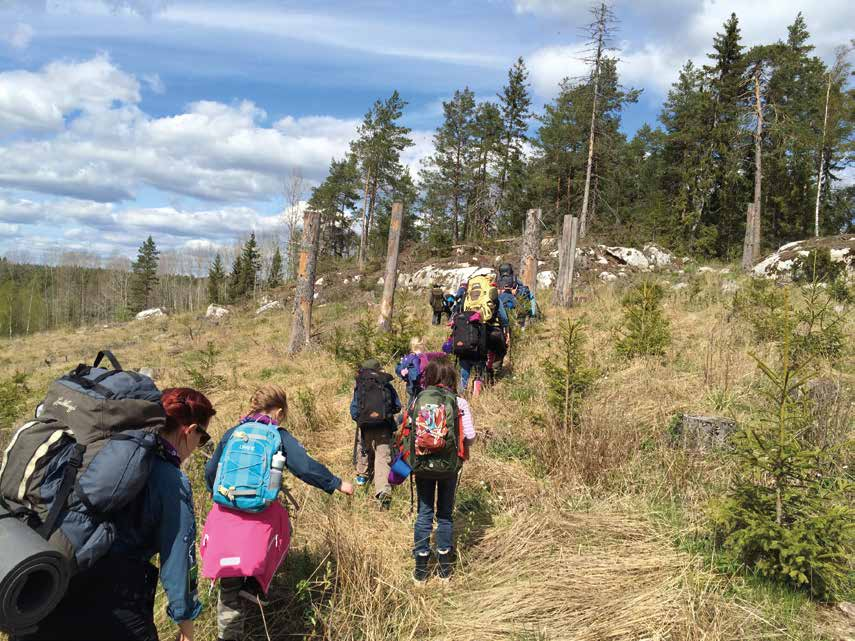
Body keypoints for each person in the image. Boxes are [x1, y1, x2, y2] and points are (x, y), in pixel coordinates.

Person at [22, 387, 216, 641]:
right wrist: (186, 623)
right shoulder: (170, 479)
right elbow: (179, 558)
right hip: (115, 608)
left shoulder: (98, 451)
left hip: (46, 590)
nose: (198, 446)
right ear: (189, 431)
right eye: (202, 439)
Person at [204, 386, 353, 641]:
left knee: (228, 585)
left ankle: (229, 634)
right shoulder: (277, 435)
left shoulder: (233, 433)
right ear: (280, 411)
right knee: (284, 533)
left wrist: (220, 495)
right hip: (261, 517)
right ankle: (253, 584)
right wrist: (336, 483)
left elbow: (210, 472)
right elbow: (305, 467)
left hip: (224, 514)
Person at [407, 357, 476, 582]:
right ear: (451, 378)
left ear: (429, 377)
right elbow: (471, 436)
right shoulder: (459, 402)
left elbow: (408, 429)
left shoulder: (419, 398)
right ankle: (445, 571)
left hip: (422, 464)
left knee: (424, 513)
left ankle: (420, 572)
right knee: (445, 515)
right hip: (449, 466)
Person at [350, 358, 401, 508]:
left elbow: (353, 410)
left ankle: (362, 477)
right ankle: (383, 490)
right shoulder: (385, 384)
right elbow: (397, 406)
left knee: (363, 449)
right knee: (382, 457)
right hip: (384, 427)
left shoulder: (360, 385)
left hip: (365, 426)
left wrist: (361, 419)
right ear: (378, 370)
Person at [458, 291, 508, 391]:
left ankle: (461, 394)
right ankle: (478, 393)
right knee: (480, 370)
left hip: (465, 345)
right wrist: (506, 329)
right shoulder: (492, 298)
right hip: (482, 346)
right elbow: (504, 317)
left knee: (464, 373)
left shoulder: (467, 298)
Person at [395, 337, 445, 407]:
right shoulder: (424, 356)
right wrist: (444, 354)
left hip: (411, 386)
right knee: (422, 405)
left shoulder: (408, 357)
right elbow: (435, 354)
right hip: (422, 386)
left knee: (412, 403)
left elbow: (400, 368)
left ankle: (410, 415)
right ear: (421, 346)